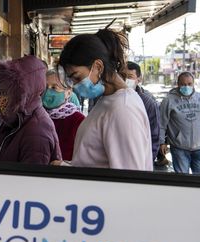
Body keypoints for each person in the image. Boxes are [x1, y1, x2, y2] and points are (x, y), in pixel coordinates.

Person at [57, 29, 153, 171]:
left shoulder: (123, 109)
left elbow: (129, 180)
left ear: (98, 66)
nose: (75, 86)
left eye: (77, 77)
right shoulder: (109, 100)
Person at [0, 55, 62, 164]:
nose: (2, 99)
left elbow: (31, 179)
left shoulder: (36, 130)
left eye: (7, 93)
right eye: (1, 92)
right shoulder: (16, 119)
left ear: (24, 94)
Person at [159, 72, 200, 174]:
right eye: (183, 84)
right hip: (179, 149)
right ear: (178, 84)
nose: (186, 87)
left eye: (189, 84)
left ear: (193, 84)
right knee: (182, 181)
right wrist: (162, 142)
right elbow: (162, 123)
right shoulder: (169, 101)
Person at [42, 70, 85, 161]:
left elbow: (84, 159)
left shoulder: (78, 120)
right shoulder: (37, 116)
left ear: (68, 93)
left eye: (54, 87)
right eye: (45, 87)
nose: (48, 91)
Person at [126, 61, 161, 161]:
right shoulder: (111, 98)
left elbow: (154, 134)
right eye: (122, 75)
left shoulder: (148, 102)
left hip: (140, 157)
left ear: (139, 79)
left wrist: (149, 160)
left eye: (130, 76)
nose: (125, 79)